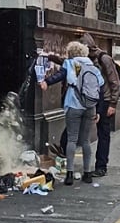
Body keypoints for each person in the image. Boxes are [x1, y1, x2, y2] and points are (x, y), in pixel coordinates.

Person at [39, 41, 103, 185]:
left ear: (71, 53)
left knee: (72, 139)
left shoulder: (69, 64)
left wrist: (46, 82)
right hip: (90, 106)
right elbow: (100, 87)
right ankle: (87, 174)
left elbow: (59, 76)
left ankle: (69, 174)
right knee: (86, 140)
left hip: (73, 104)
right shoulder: (93, 66)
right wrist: (97, 109)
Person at [80, 33, 120, 177]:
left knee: (103, 134)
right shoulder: (84, 60)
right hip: (90, 99)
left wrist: (113, 104)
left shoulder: (104, 58)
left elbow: (115, 82)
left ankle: (101, 166)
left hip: (104, 100)